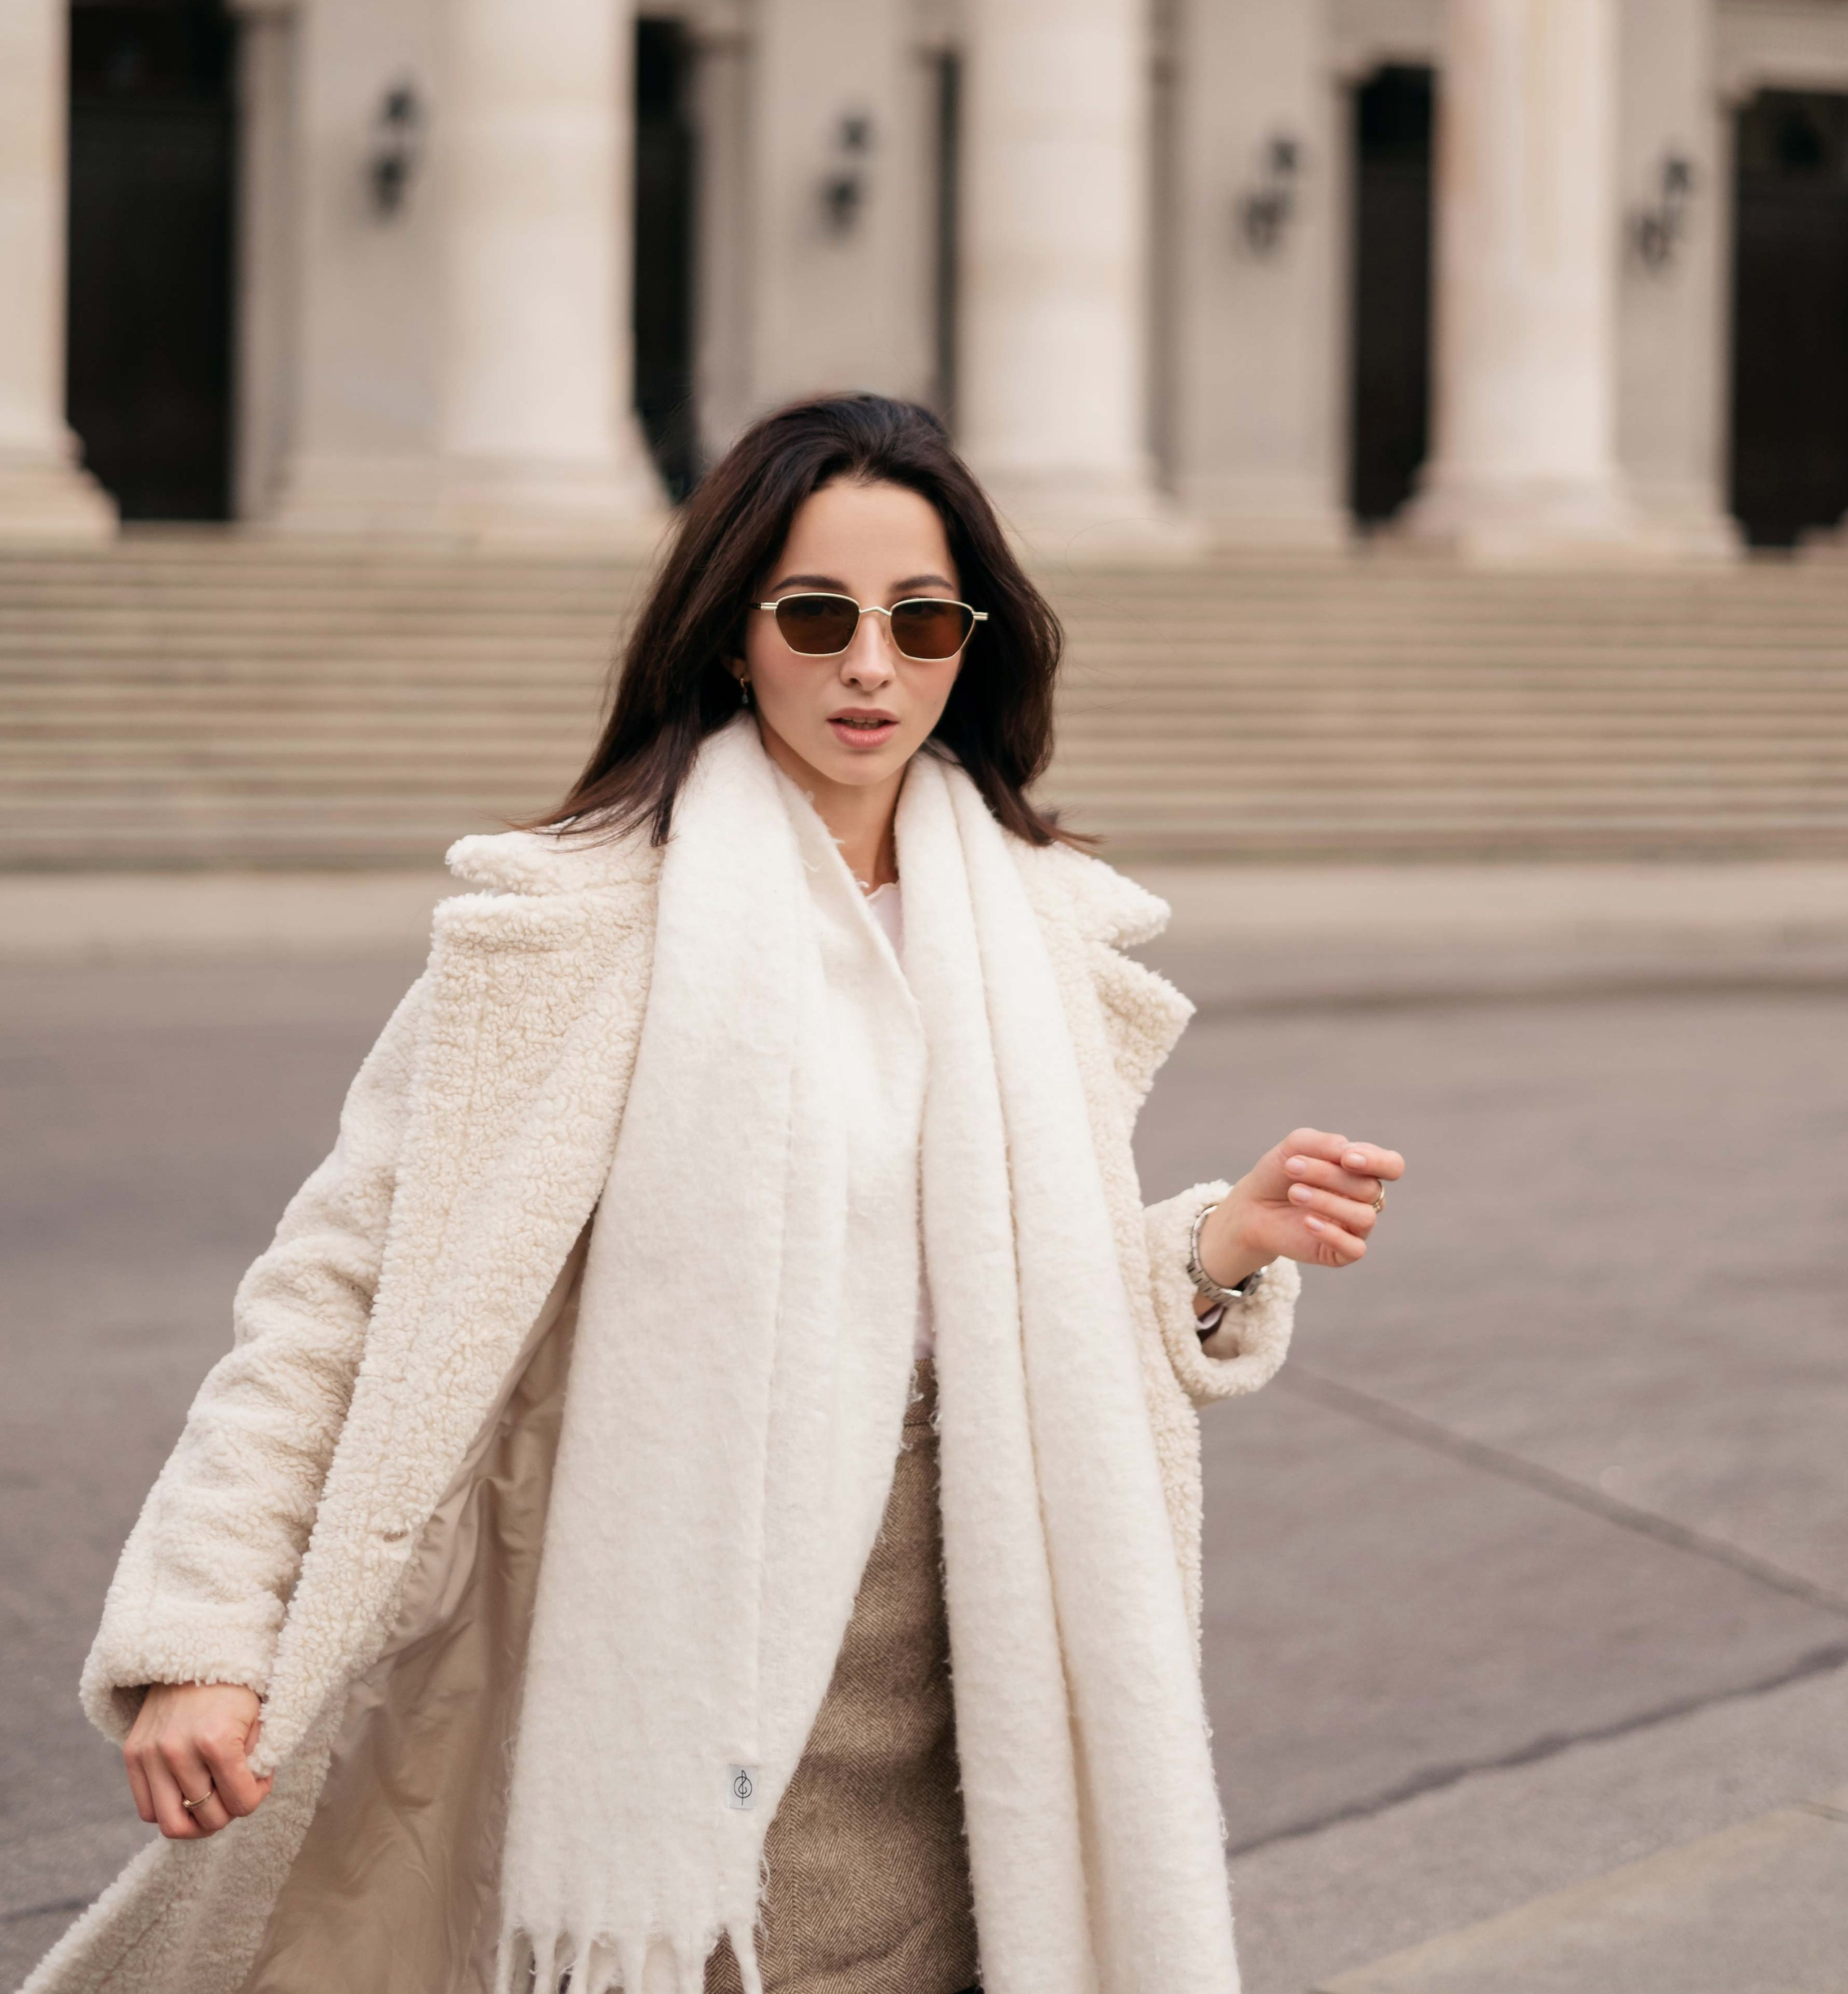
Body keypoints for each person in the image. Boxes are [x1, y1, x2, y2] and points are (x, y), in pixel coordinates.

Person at [30, 395, 1403, 1994]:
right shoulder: (567, 928)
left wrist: (1211, 1249)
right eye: (816, 618)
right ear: (732, 634)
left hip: (970, 1676)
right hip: (658, 1663)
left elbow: (996, 1296)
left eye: (921, 620)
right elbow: (338, 1291)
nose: (870, 668)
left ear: (980, 642)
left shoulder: (1038, 944)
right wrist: (203, 1633)